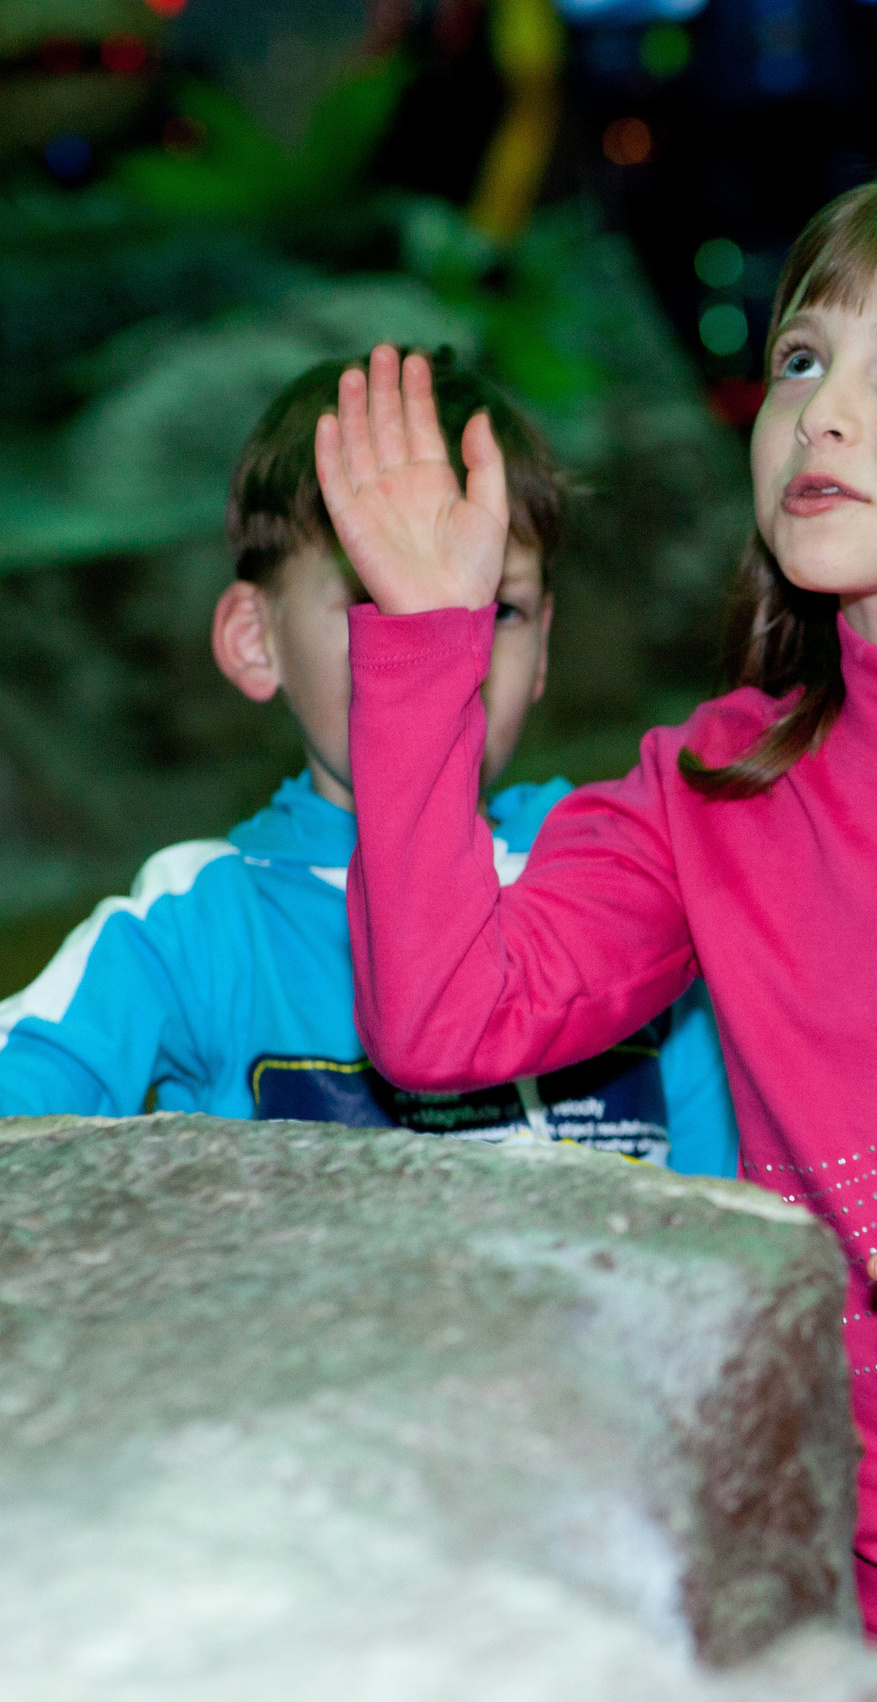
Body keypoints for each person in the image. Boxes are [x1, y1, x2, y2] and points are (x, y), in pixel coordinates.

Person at [316, 175, 877, 1702]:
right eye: (803, 358)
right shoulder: (709, 787)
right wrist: (425, 638)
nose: (823, 409)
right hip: (831, 1621)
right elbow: (443, 1022)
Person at [0, 351, 735, 1174]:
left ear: (545, 645)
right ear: (256, 637)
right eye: (380, 602)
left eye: (497, 610)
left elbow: (734, 1209)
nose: (450, 642)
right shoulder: (192, 926)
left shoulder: (622, 873)